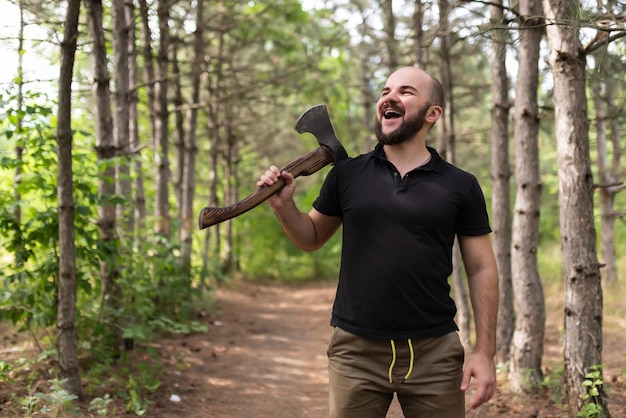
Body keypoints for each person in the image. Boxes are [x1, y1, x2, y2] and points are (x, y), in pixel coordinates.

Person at [257, 66, 499, 418]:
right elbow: (311, 237)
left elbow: (481, 267)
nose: (389, 97)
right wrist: (283, 207)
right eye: (385, 91)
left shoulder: (460, 185)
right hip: (355, 352)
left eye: (405, 91)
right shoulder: (347, 173)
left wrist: (484, 352)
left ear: (433, 113)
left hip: (434, 352)